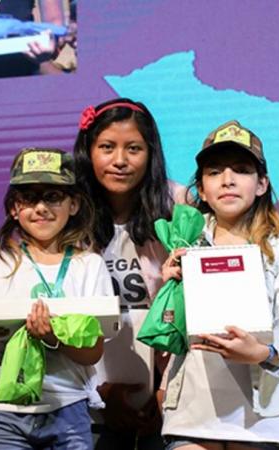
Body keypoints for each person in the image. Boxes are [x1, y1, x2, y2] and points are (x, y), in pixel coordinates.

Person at [160, 120, 279, 449]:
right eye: (214, 172)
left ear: (261, 184)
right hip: (194, 406)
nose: (227, 180)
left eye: (241, 170)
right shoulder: (185, 241)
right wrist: (169, 291)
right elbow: (169, 328)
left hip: (263, 413)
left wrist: (264, 352)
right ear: (200, 187)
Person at [0, 147, 114, 450]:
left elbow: (92, 353)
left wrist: (55, 336)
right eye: (29, 197)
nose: (41, 207)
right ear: (14, 208)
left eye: (53, 196)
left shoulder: (89, 265)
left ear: (74, 204)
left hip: (67, 406)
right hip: (2, 412)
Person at [74, 97, 186, 450]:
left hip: (164, 394)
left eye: (133, 148)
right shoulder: (68, 212)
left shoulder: (176, 205)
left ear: (151, 153)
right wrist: (100, 391)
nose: (120, 161)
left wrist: (165, 387)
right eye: (107, 147)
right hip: (82, 393)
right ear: (88, 151)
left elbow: (187, 310)